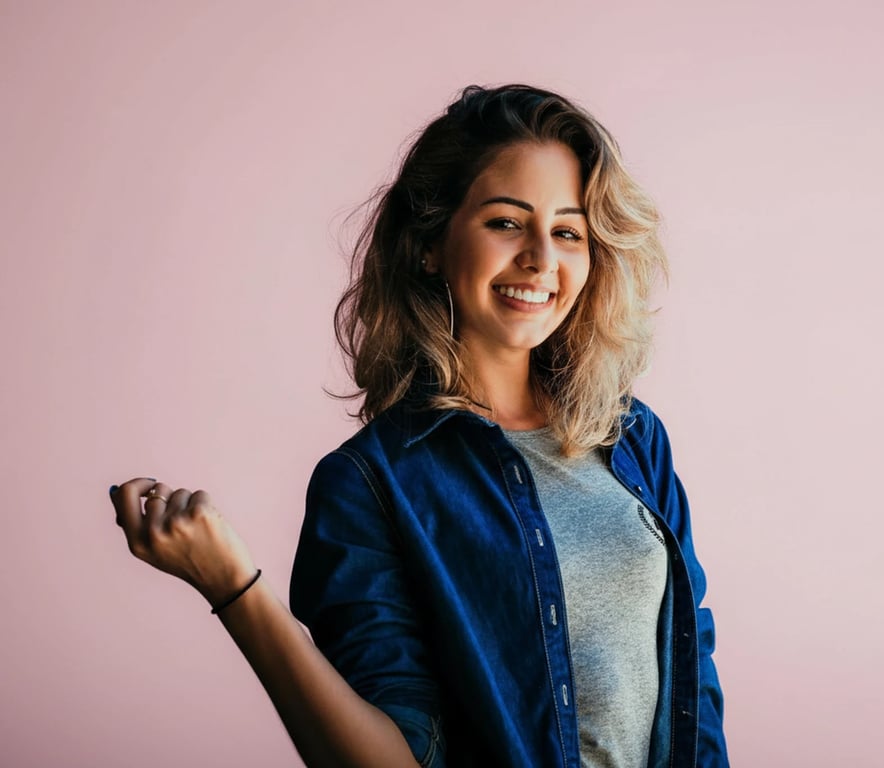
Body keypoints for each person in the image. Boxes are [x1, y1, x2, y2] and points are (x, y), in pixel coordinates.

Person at [108, 84, 728, 768]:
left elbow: (693, 677)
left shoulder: (633, 438)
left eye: (568, 231)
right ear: (430, 243)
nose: (541, 260)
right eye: (505, 222)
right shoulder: (369, 486)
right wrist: (234, 590)